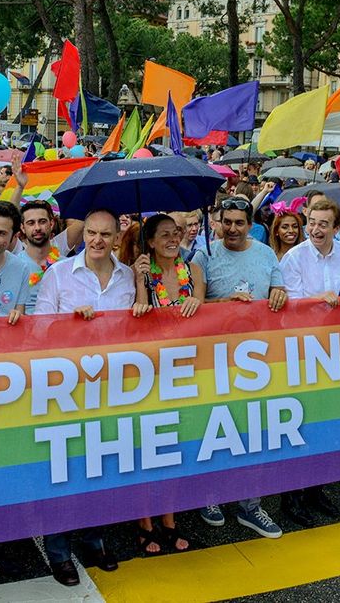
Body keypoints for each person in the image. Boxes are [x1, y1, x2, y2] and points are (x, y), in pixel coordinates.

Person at [34, 209, 139, 586]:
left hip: (111, 389)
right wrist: (69, 325)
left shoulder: (128, 276)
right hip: (67, 389)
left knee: (101, 465)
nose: (97, 240)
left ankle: (94, 539)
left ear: (117, 238)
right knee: (64, 469)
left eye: (105, 234)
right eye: (91, 233)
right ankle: (59, 550)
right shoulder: (58, 274)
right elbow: (38, 331)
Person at [191, 196, 286, 540]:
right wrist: (225, 304)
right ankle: (210, 496)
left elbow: (279, 289)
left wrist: (280, 294)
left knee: (254, 432)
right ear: (217, 222)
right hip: (215, 361)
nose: (232, 228)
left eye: (239, 223)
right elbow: (196, 306)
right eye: (226, 221)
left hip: (257, 361)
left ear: (250, 225)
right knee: (217, 432)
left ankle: (250, 505)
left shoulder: (266, 253)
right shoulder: (203, 255)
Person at [277, 199, 340, 526]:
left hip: (334, 348)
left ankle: (316, 489)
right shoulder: (294, 257)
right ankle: (291, 498)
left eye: (324, 223)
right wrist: (319, 301)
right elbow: (291, 304)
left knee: (326, 422)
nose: (315, 229)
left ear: (337, 227)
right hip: (302, 349)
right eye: (312, 222)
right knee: (300, 423)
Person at [130, 214, 205, 554]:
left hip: (186, 371)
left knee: (175, 448)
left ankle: (170, 520)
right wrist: (140, 281)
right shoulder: (141, 274)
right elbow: (140, 317)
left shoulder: (194, 271)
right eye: (164, 235)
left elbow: (203, 315)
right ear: (150, 241)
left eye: (176, 233)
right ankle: (144, 522)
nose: (173, 239)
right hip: (151, 374)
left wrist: (198, 302)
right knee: (148, 448)